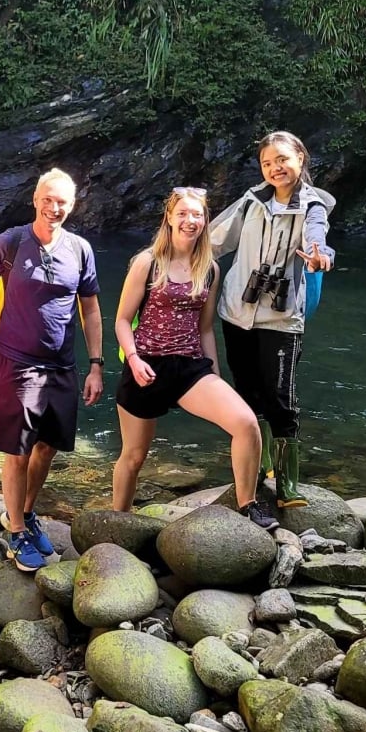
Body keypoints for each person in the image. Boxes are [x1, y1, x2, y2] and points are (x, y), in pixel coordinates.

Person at [111, 187, 274, 527]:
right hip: (147, 365)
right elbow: (123, 320)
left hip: (189, 367)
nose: (190, 221)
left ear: (205, 220)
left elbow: (204, 329)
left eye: (197, 215)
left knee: (245, 423)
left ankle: (249, 505)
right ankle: (118, 521)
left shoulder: (209, 268)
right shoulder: (147, 262)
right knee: (134, 456)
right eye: (183, 214)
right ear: (169, 218)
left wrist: (213, 374)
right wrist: (134, 358)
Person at [0, 168, 104, 572]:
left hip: (61, 364)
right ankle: (13, 532)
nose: (55, 207)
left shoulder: (80, 249)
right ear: (35, 199)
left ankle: (26, 513)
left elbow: (91, 308)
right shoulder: (10, 242)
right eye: (48, 199)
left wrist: (96, 364)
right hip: (16, 361)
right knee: (18, 450)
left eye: (63, 201)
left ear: (72, 205)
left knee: (47, 447)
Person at [208, 131, 336, 510]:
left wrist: (319, 256)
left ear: (300, 158)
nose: (275, 168)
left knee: (281, 398)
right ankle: (261, 465)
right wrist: (163, 255)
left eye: (282, 159)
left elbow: (318, 239)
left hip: (281, 318)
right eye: (267, 163)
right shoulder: (251, 201)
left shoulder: (312, 206)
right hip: (236, 312)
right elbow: (214, 239)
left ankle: (288, 484)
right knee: (247, 391)